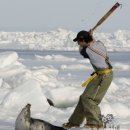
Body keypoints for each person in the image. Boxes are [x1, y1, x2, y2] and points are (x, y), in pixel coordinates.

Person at [63, 30, 113, 129]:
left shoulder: (88, 50)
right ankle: (74, 122)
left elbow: (82, 50)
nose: (78, 43)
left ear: (83, 40)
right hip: (100, 75)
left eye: (78, 41)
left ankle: (96, 123)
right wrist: (90, 37)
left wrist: (88, 38)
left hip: (104, 77)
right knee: (84, 97)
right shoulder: (99, 44)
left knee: (89, 99)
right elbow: (93, 42)